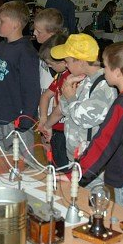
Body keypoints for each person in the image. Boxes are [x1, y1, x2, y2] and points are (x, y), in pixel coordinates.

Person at [77, 42, 123, 208]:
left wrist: (80, 173)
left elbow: (104, 142)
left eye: (106, 66)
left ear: (117, 72)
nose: (103, 69)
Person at [0, 0, 41, 164]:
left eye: (2, 21)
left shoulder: (26, 52)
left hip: (15, 120)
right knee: (1, 162)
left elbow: (31, 89)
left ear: (15, 24)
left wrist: (26, 118)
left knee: (23, 164)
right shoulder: (1, 46)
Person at [52, 34, 117, 168]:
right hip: (76, 157)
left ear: (80, 62)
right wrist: (66, 88)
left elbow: (83, 119)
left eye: (67, 61)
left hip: (91, 161)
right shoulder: (84, 79)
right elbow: (66, 110)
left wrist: (70, 97)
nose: (65, 65)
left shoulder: (104, 85)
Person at [37, 34, 70, 169]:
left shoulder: (70, 77)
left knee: (64, 168)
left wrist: (47, 124)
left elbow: (62, 108)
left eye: (51, 64)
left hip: (66, 133)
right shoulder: (60, 75)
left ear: (63, 62)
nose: (49, 66)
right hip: (55, 130)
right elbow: (46, 96)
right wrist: (43, 118)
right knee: (55, 165)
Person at [33, 8, 66, 92]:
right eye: (34, 29)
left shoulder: (59, 55)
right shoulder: (43, 47)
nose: (34, 33)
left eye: (39, 31)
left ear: (51, 35)